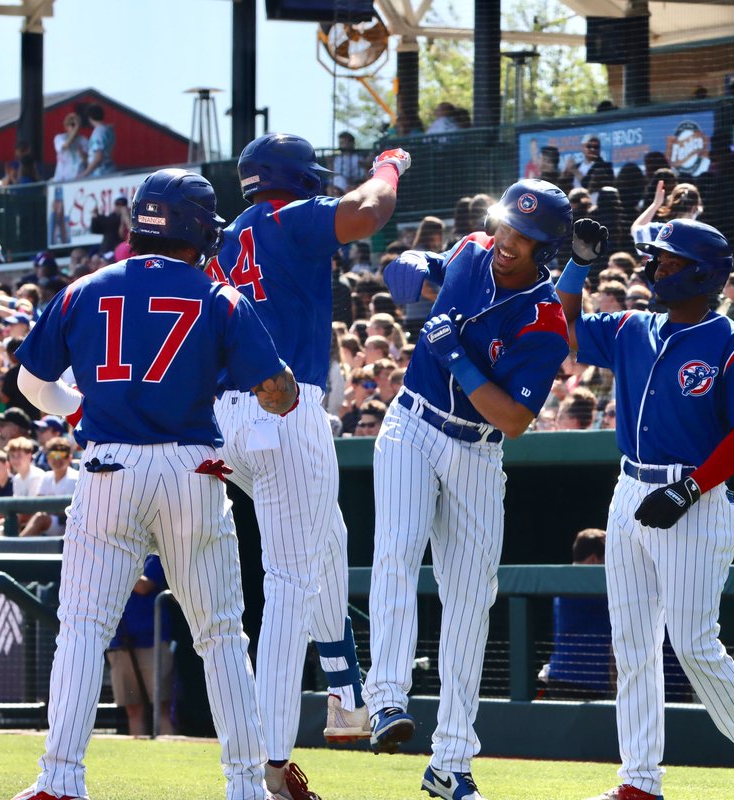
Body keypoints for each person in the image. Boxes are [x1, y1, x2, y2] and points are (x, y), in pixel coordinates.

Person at [10, 168, 297, 800]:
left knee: (83, 627)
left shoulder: (85, 287)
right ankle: (247, 786)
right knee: (219, 633)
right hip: (193, 468)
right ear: (199, 227)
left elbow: (30, 386)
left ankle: (59, 780)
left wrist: (77, 407)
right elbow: (277, 395)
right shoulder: (218, 295)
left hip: (109, 464)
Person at [555, 218, 734, 800]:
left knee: (692, 641)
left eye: (667, 263)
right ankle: (639, 781)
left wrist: (691, 488)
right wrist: (578, 265)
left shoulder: (732, 344)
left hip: (698, 497)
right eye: (656, 261)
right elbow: (562, 328)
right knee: (633, 643)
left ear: (701, 274)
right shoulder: (632, 327)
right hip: (629, 490)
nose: (654, 269)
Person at [207, 134, 407, 786]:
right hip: (287, 406)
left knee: (328, 539)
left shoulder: (226, 236)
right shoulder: (287, 215)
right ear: (298, 178)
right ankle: (266, 761)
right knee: (291, 585)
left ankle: (346, 700)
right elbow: (369, 211)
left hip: (224, 420)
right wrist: (389, 166)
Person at [371, 179, 573, 799]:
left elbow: (512, 420)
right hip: (411, 421)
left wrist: (455, 356)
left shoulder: (545, 320)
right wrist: (405, 264)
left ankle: (450, 761)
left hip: (478, 450)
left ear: (547, 249)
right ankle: (385, 698)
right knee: (398, 552)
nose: (509, 241)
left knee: (470, 600)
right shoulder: (469, 250)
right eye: (507, 225)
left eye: (526, 236)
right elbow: (416, 273)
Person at [105, 554, 175, 737]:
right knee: (133, 710)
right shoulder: (109, 552)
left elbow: (143, 586)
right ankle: (140, 758)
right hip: (119, 642)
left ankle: (170, 760)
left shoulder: (154, 556)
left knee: (162, 708)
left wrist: (114, 562)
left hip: (153, 641)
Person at [539, 528, 613, 700]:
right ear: (594, 559)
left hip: (565, 677)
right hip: (581, 682)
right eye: (609, 559)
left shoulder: (566, 581)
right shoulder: (583, 585)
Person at [20, 436, 79, 537]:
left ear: (69, 458)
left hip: (67, 525)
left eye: (61, 455)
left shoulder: (75, 478)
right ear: (48, 458)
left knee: (40, 517)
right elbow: (38, 503)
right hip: (50, 523)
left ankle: (15, 548)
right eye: (53, 455)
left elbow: (71, 513)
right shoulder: (46, 476)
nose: (57, 459)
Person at [78, 103, 115, 178]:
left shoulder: (98, 132)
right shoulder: (108, 129)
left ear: (90, 117)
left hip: (100, 173)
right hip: (109, 170)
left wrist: (85, 173)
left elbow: (98, 157)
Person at [52, 113, 87, 182]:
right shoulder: (59, 137)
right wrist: (74, 131)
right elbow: (65, 146)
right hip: (61, 179)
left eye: (77, 125)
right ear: (66, 127)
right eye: (73, 125)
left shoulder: (84, 140)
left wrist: (79, 149)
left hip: (78, 178)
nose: (75, 128)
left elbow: (86, 161)